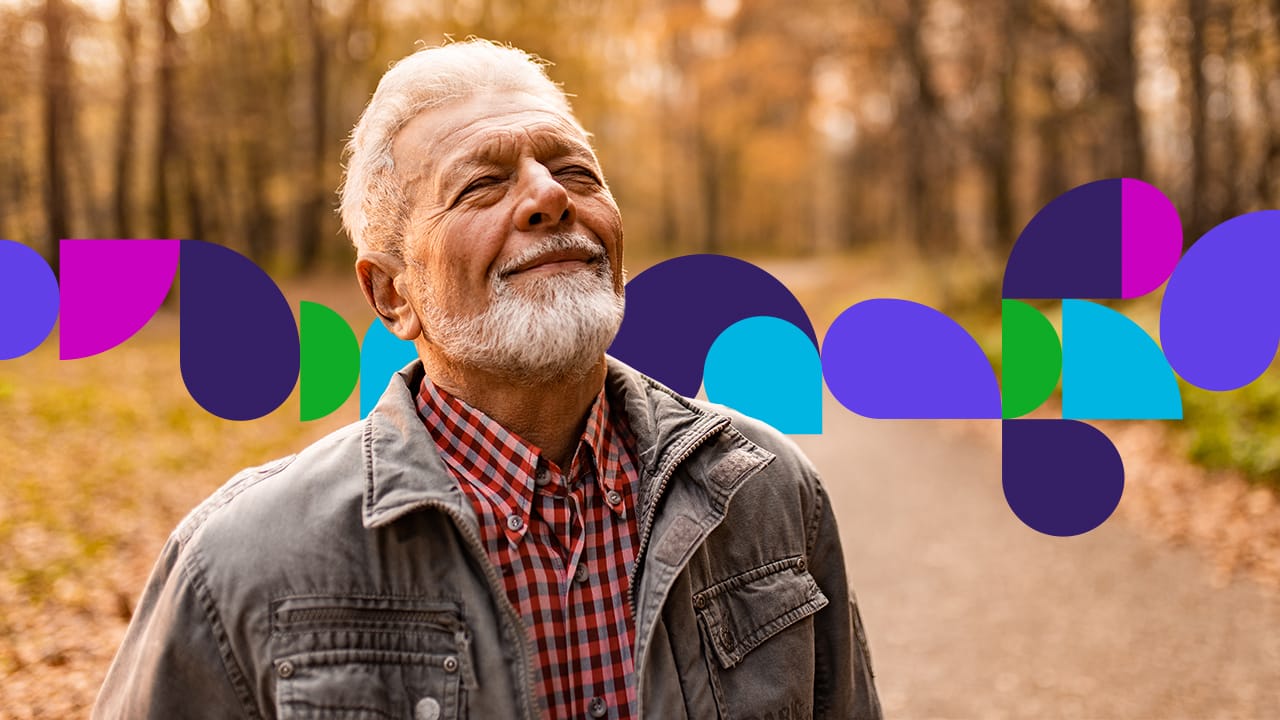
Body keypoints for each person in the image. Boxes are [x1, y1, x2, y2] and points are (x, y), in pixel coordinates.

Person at [94, 39, 881, 720]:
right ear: (393, 294)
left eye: (575, 171)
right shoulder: (238, 563)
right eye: (482, 185)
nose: (548, 197)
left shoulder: (771, 492)